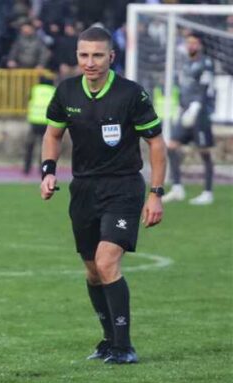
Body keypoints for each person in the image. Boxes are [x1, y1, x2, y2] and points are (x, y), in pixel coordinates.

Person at [40, 26, 165, 365]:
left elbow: (155, 143)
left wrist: (156, 193)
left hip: (123, 187)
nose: (90, 62)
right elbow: (52, 135)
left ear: (111, 56)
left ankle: (125, 346)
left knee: (108, 261)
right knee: (93, 270)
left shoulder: (130, 94)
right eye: (84, 55)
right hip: (83, 189)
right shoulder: (66, 92)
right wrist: (48, 171)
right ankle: (109, 341)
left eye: (97, 55)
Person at [162, 33, 216, 206]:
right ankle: (177, 188)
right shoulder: (185, 64)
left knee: (204, 152)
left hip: (199, 114)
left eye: (194, 43)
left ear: (199, 45)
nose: (191, 46)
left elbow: (205, 87)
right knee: (171, 146)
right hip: (185, 111)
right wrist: (180, 106)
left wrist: (196, 107)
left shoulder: (206, 63)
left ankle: (207, 192)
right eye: (188, 43)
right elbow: (183, 87)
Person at [23, 75, 55, 175]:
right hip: (47, 123)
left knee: (30, 146)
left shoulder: (35, 89)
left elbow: (28, 101)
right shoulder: (53, 90)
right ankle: (43, 169)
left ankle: (26, 169)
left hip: (34, 122)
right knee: (45, 148)